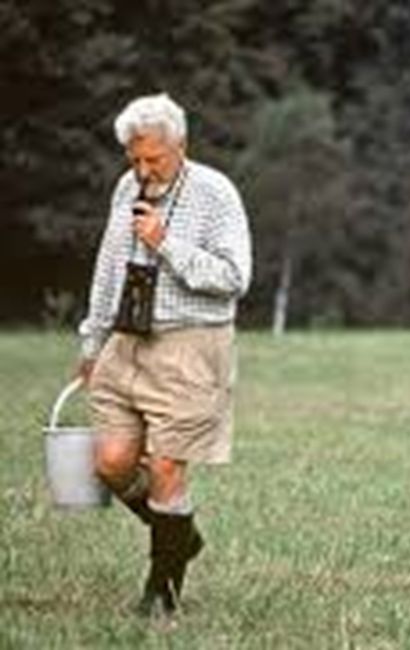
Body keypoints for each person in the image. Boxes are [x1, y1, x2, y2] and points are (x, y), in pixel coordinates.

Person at [76, 92, 252, 618]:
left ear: (181, 145)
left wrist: (165, 241)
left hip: (190, 346)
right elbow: (109, 266)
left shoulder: (216, 193)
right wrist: (92, 339)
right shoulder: (126, 188)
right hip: (126, 342)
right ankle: (180, 536)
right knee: (109, 463)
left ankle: (162, 593)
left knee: (170, 470)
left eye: (153, 158)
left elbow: (233, 278)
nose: (143, 169)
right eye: (134, 158)